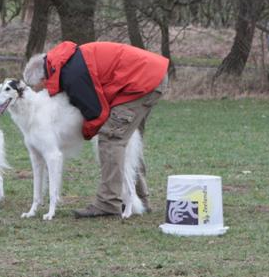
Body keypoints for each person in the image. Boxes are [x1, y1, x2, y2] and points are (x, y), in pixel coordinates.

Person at [23, 41, 169, 218]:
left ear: (44, 80)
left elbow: (96, 113)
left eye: (36, 88)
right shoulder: (66, 63)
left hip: (143, 80)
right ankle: (139, 200)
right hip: (151, 75)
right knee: (127, 140)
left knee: (111, 138)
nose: (38, 91)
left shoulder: (72, 76)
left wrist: (85, 132)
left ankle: (108, 203)